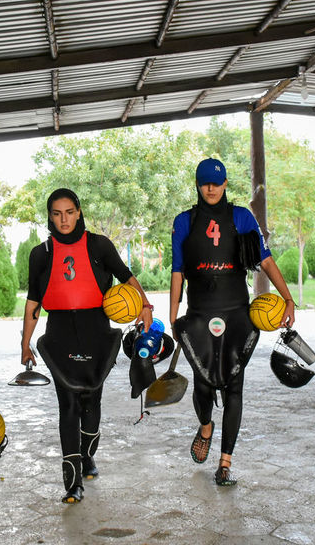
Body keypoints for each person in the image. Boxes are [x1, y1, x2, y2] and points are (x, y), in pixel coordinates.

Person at [21, 188, 153, 503]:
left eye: (69, 212)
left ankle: (87, 454)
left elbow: (126, 277)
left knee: (91, 403)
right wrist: (25, 344)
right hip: (58, 335)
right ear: (50, 216)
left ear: (79, 212)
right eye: (56, 213)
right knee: (67, 406)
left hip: (97, 332)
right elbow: (33, 304)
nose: (63, 219)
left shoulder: (99, 245)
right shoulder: (41, 254)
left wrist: (145, 305)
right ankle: (73, 482)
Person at [169, 158, 295, 487]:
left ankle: (225, 463)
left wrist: (288, 298)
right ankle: (206, 426)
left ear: (225, 184)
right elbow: (177, 270)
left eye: (217, 182)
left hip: (238, 311)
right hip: (199, 312)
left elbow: (265, 260)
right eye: (205, 182)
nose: (211, 188)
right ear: (198, 185)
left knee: (235, 385)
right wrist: (173, 315)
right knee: (203, 383)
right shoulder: (185, 221)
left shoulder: (241, 218)